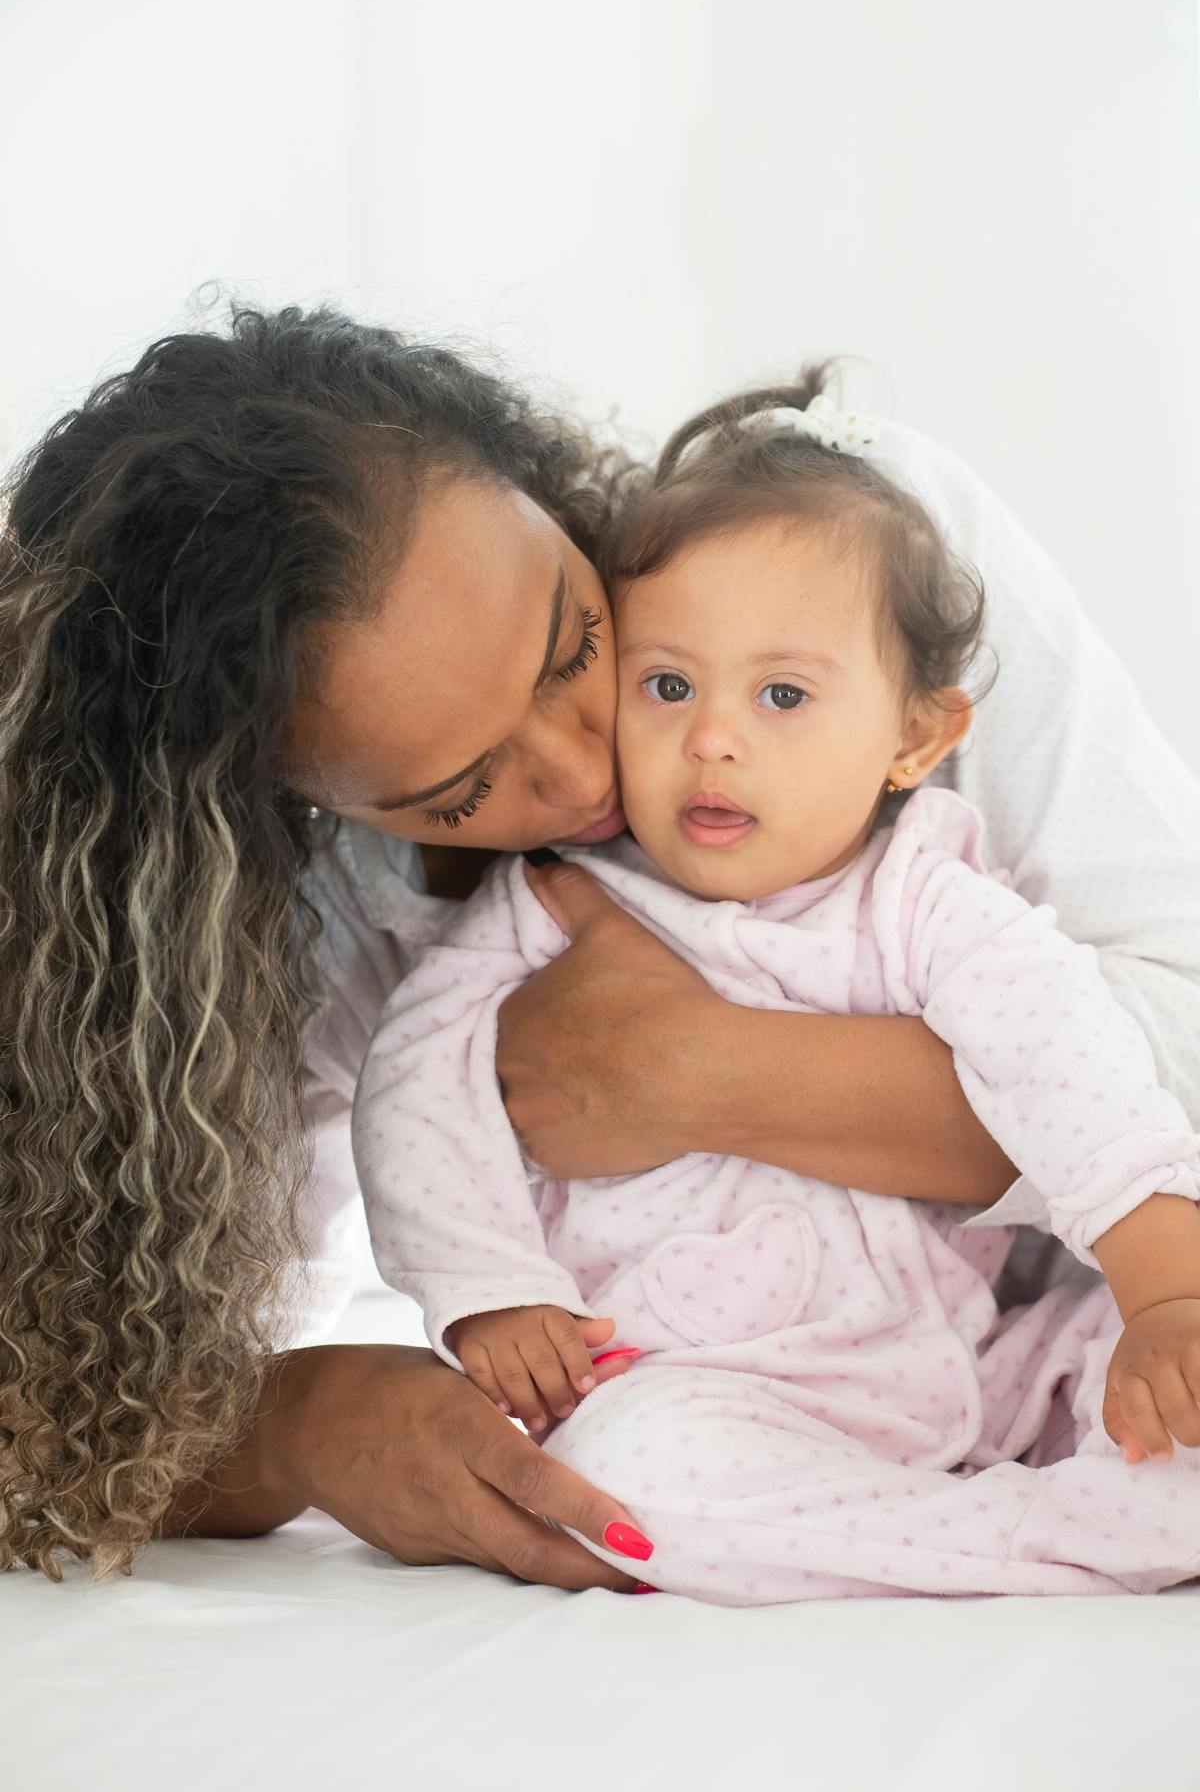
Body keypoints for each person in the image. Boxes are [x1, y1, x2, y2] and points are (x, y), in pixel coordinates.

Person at [2, 308, 1198, 1585]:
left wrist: (695, 1073)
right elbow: (83, 1394)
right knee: (635, 1477)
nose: (591, 775)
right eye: (459, 791)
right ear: (295, 811)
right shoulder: (332, 916)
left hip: (1037, 1331)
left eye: (577, 646)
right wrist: (302, 1422)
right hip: (743, 1397)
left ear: (544, 494)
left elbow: (1152, 1027)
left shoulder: (832, 556)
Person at [351, 374, 1200, 1603]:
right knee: (624, 1476)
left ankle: (1036, 1500)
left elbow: (1065, 1056)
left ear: (916, 738)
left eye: (784, 696)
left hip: (986, 1354)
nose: (713, 739)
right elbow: (414, 1087)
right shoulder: (553, 907)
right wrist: (492, 1289)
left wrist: (1164, 1280)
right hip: (713, 1378)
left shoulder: (923, 892)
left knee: (1167, 1381)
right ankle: (1022, 1543)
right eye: (666, 685)